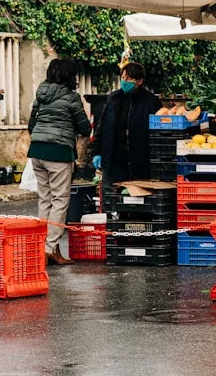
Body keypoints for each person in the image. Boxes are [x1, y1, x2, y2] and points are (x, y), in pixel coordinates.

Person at [28, 59, 91, 265]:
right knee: (60, 201)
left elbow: (32, 124)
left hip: (37, 151)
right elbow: (84, 128)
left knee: (45, 199)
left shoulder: (41, 94)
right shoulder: (71, 98)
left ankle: (43, 247)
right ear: (69, 76)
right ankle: (49, 249)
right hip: (59, 153)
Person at [93, 62, 162, 183]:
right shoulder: (113, 99)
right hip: (115, 160)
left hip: (141, 160)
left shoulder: (151, 101)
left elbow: (159, 130)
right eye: (123, 77)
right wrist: (97, 152)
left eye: (129, 78)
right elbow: (102, 127)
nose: (125, 81)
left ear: (139, 81)